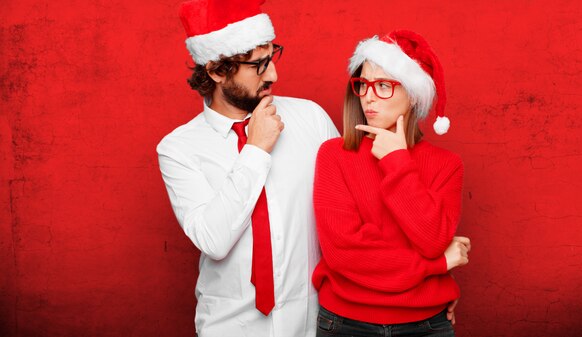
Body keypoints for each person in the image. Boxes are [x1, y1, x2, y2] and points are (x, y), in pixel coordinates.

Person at [156, 0, 339, 336]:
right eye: (259, 65)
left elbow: (355, 211)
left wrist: (422, 283)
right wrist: (255, 149)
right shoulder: (179, 149)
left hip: (312, 324)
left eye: (273, 57)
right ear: (215, 70)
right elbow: (213, 240)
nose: (274, 75)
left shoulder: (311, 119)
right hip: (231, 327)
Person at [312, 30, 472, 337]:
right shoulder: (334, 155)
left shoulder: (447, 165)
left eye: (384, 85)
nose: (369, 96)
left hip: (427, 326)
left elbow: (432, 239)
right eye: (363, 84)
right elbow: (346, 255)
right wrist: (435, 265)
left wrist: (396, 161)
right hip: (345, 325)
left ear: (412, 95)